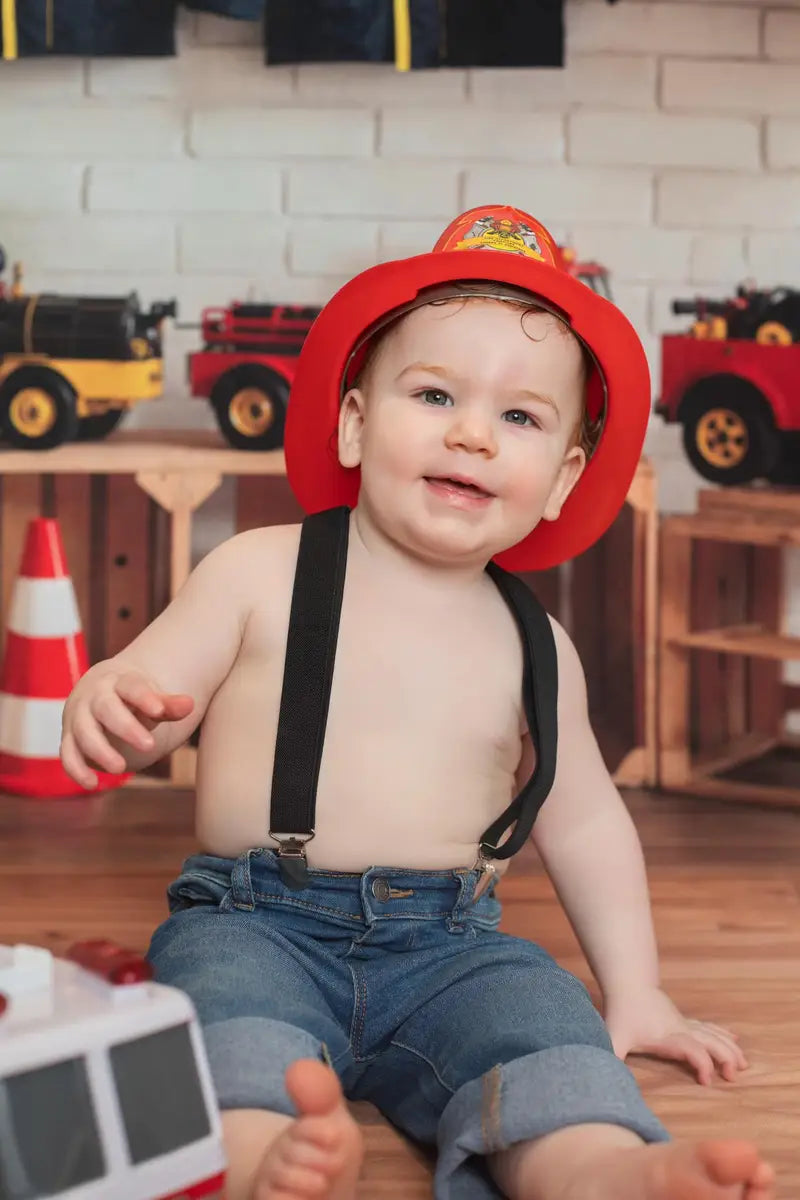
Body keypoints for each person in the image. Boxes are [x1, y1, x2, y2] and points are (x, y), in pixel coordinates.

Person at [60, 206, 774, 1200]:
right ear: (354, 422)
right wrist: (112, 700)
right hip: (256, 919)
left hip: (449, 942)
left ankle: (601, 1171)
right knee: (220, 1018)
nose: (472, 433)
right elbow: (156, 696)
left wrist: (636, 991)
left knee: (538, 1025)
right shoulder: (257, 571)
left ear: (562, 477)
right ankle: (265, 1151)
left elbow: (581, 822)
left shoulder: (536, 644)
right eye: (433, 394)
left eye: (520, 417)